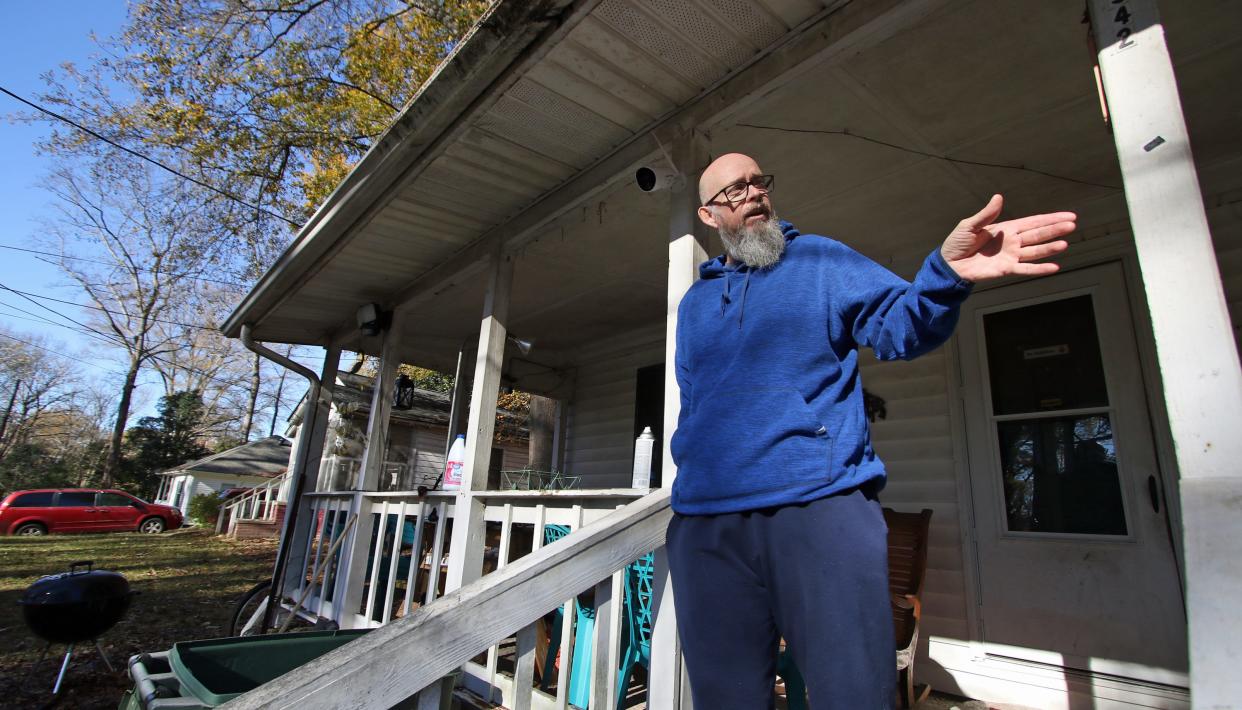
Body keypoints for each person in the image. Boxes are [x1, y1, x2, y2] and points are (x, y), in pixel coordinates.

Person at [666, 153, 1075, 709]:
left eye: (759, 182)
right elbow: (695, 405)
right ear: (709, 216)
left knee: (854, 695)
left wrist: (946, 276)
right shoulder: (693, 306)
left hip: (818, 510)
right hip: (707, 526)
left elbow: (901, 325)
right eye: (734, 192)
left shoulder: (819, 261)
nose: (754, 195)